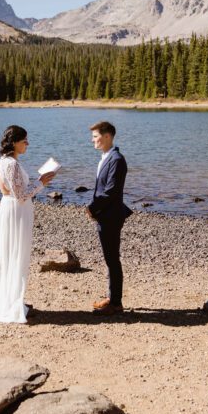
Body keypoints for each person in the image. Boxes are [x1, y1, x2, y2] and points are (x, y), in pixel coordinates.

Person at [0, 125, 55, 323]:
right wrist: (41, 183)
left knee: (8, 255)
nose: (27, 144)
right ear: (14, 142)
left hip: (10, 209)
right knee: (15, 255)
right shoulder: (11, 164)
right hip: (15, 211)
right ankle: (11, 303)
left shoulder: (4, 161)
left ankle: (11, 299)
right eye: (24, 141)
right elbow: (21, 195)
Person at [86, 121, 133, 316]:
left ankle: (116, 303)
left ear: (107, 137)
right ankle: (111, 297)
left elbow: (112, 191)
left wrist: (92, 208)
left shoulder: (117, 159)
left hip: (111, 216)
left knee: (112, 259)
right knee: (109, 259)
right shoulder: (105, 157)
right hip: (105, 214)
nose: (93, 140)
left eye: (96, 137)